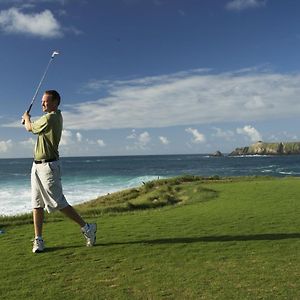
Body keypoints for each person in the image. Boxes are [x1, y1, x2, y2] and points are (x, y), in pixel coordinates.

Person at [22, 90, 97, 253]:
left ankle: (87, 227)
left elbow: (29, 128)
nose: (42, 104)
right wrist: (28, 121)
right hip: (36, 166)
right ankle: (38, 240)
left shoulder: (51, 117)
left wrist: (26, 118)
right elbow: (33, 128)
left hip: (48, 166)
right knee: (37, 203)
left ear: (55, 103)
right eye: (42, 101)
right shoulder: (49, 117)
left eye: (46, 101)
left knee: (58, 202)